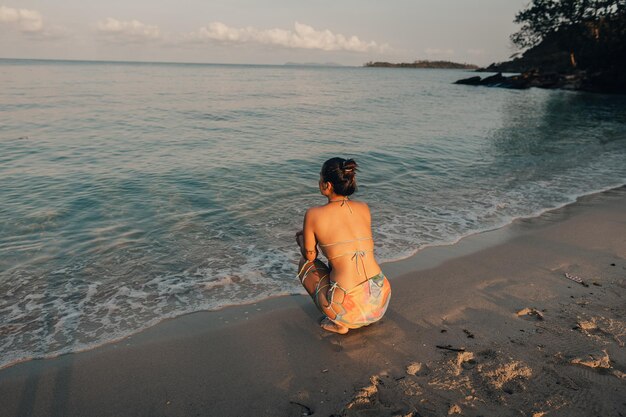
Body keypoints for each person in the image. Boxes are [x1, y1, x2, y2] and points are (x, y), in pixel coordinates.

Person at [295, 157, 391, 334]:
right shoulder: (363, 207)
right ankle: (363, 316)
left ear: (327, 185)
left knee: (305, 264)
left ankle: (339, 324)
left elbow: (310, 256)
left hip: (348, 311)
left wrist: (301, 240)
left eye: (320, 178)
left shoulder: (314, 214)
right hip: (381, 299)